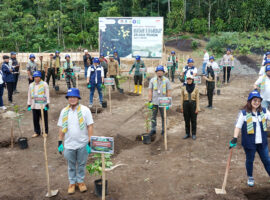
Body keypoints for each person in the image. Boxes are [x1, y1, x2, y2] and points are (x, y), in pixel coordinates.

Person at [229, 90, 270, 187]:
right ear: (250, 101)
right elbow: (238, 126)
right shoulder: (244, 113)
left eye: (258, 101)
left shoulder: (264, 111)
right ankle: (250, 177)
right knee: (250, 160)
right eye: (254, 100)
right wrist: (235, 138)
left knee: (267, 160)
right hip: (249, 143)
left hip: (262, 143)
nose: (256, 102)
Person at [57, 88, 93, 194]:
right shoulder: (64, 111)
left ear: (78, 98)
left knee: (81, 164)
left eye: (74, 97)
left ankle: (80, 181)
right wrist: (60, 141)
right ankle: (72, 182)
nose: (72, 99)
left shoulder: (85, 110)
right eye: (70, 97)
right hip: (69, 144)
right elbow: (61, 127)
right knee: (71, 165)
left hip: (82, 143)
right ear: (68, 99)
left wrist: (90, 142)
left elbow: (90, 126)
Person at [148, 65, 172, 136]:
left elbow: (168, 91)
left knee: (163, 116)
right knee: (153, 116)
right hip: (154, 101)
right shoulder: (152, 80)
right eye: (158, 71)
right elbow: (150, 91)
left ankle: (164, 129)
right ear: (156, 72)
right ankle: (153, 129)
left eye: (161, 71)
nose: (159, 73)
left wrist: (168, 102)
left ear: (163, 72)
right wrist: (150, 101)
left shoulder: (166, 80)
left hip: (163, 101)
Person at [27, 71, 50, 138]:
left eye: (38, 77)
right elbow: (29, 95)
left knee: (44, 119)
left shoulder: (44, 84)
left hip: (42, 105)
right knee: (35, 119)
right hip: (34, 105)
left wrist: (47, 103)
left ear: (40, 77)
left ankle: (45, 132)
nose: (36, 78)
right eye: (35, 77)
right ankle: (37, 131)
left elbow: (47, 94)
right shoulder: (31, 85)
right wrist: (29, 104)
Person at [180, 75, 200, 140]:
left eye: (190, 79)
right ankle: (187, 133)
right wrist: (182, 107)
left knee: (193, 120)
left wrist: (197, 108)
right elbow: (181, 98)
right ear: (186, 80)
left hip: (193, 105)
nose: (189, 80)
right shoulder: (183, 88)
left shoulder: (196, 88)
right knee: (186, 120)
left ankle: (194, 134)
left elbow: (197, 99)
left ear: (192, 80)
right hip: (185, 105)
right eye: (188, 79)